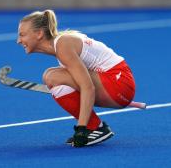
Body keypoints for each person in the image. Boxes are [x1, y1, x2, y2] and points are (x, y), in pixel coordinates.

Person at [17, 9, 135, 147]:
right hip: (116, 86)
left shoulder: (63, 45)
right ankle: (94, 126)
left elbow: (88, 87)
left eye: (22, 35)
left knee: (52, 76)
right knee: (55, 79)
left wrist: (81, 129)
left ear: (39, 34)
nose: (18, 40)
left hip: (120, 84)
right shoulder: (61, 46)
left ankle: (95, 127)